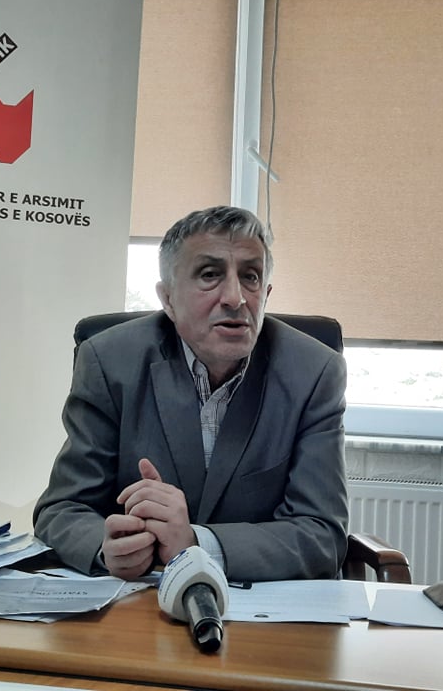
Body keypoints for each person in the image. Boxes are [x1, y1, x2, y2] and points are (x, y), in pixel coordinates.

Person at [33, 206, 348, 582]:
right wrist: (107, 547)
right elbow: (61, 511)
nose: (235, 298)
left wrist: (196, 543)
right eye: (210, 275)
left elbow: (321, 535)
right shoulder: (110, 361)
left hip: (263, 602)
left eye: (250, 276)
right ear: (167, 298)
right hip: (142, 597)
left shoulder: (313, 372)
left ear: (265, 294)